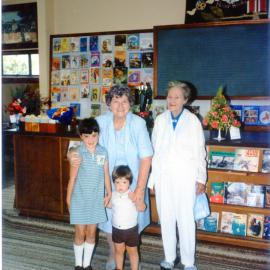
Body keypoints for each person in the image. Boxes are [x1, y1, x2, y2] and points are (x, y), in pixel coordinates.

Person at [68, 85, 153, 270]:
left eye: (124, 101)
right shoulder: (100, 121)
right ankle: (114, 252)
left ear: (131, 103)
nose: (120, 106)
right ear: (109, 104)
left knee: (131, 219)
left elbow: (146, 157)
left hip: (133, 183)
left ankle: (132, 251)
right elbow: (83, 139)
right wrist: (71, 153)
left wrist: (139, 189)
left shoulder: (138, 124)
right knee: (109, 219)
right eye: (116, 101)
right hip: (107, 182)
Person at [148, 81, 207, 270]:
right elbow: (155, 151)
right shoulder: (160, 120)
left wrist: (201, 179)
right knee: (166, 218)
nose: (172, 100)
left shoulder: (192, 121)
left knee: (185, 219)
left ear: (185, 99)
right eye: (170, 96)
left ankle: (188, 261)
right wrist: (153, 179)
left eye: (177, 97)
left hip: (185, 177)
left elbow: (200, 152)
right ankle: (169, 257)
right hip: (164, 177)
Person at [66, 118, 112, 270]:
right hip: (79, 200)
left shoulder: (103, 152)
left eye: (94, 135)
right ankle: (78, 264)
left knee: (91, 233)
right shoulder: (78, 154)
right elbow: (72, 179)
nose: (91, 139)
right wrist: (68, 199)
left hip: (96, 200)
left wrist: (109, 193)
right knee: (80, 232)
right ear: (81, 136)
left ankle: (87, 265)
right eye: (86, 136)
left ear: (98, 135)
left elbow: (106, 174)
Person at [108, 165, 145, 270]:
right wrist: (105, 201)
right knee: (119, 251)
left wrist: (136, 200)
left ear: (130, 182)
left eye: (124, 182)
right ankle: (119, 268)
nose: (120, 185)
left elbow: (142, 208)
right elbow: (110, 205)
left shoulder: (132, 194)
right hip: (117, 229)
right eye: (117, 182)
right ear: (114, 182)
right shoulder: (113, 195)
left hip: (131, 230)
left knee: (133, 252)